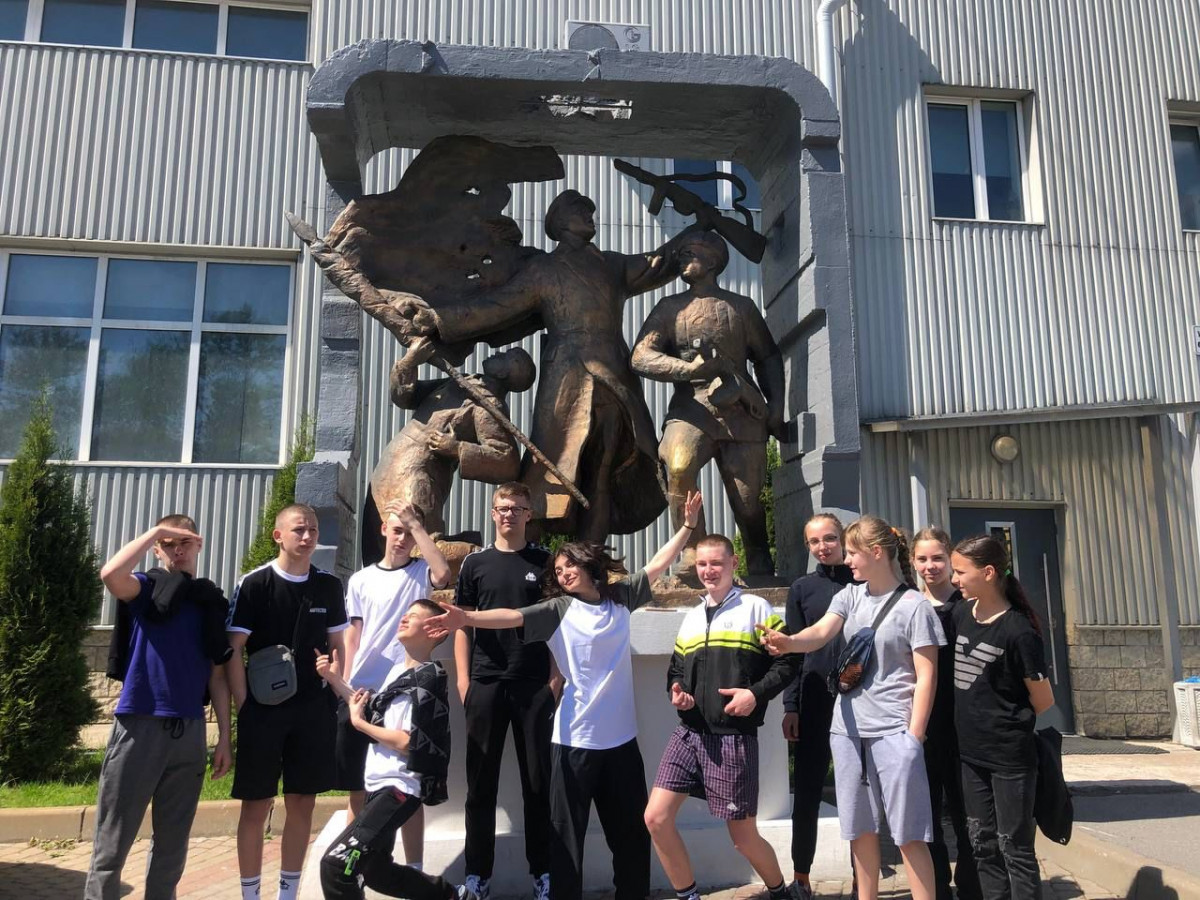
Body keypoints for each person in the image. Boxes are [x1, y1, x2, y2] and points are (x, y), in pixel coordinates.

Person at [427, 492, 705, 900]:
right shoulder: (557, 609)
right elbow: (511, 616)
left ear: (587, 565)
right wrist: (466, 617)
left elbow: (658, 564)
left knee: (630, 835)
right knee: (566, 840)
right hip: (574, 740)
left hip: (622, 741)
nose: (563, 573)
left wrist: (687, 527)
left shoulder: (620, 598)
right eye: (558, 570)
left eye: (569, 565)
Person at [758, 516, 943, 900]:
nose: (847, 560)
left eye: (853, 552)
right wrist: (789, 642)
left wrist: (914, 737)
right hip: (846, 732)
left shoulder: (915, 606)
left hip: (894, 732)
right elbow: (821, 632)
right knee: (860, 830)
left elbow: (927, 676)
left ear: (875, 553)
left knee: (909, 835)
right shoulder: (849, 596)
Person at [643, 534, 799, 900]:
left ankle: (781, 892)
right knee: (656, 818)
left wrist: (754, 694)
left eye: (716, 563)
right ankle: (689, 896)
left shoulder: (756, 608)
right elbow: (676, 670)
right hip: (689, 733)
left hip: (732, 738)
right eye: (702, 564)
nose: (708, 570)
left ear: (734, 564)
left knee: (742, 838)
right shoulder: (693, 616)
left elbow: (789, 660)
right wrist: (677, 692)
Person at [85, 516, 233, 900]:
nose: (178, 550)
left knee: (172, 847)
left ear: (199, 545)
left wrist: (224, 738)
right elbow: (110, 574)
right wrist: (154, 532)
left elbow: (217, 676)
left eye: (185, 542)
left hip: (189, 730)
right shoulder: (146, 589)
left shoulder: (209, 601)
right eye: (169, 543)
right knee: (112, 843)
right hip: (140, 726)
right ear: (156, 549)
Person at [630, 230, 786, 576]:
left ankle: (758, 557)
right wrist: (687, 369)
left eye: (691, 252)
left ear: (713, 260)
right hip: (691, 410)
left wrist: (775, 407)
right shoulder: (669, 308)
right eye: (681, 253)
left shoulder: (741, 307)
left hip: (741, 410)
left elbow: (768, 356)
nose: (682, 258)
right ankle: (691, 551)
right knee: (679, 466)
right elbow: (640, 356)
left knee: (747, 502)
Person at [226, 503, 349, 900]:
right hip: (262, 711)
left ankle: (288, 894)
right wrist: (245, 706)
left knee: (302, 802)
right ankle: (250, 895)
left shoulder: (329, 586)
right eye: (299, 529)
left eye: (312, 529)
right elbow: (233, 649)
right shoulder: (255, 584)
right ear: (278, 535)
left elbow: (338, 642)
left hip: (312, 710)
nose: (308, 536)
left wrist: (334, 678)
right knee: (256, 804)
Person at [315, 599, 477, 900]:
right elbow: (368, 709)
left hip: (399, 788)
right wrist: (334, 679)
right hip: (379, 786)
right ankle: (453, 896)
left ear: (434, 631)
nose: (404, 618)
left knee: (336, 865)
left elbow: (409, 743)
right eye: (405, 614)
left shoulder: (430, 678)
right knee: (375, 870)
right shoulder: (396, 672)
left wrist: (360, 725)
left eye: (413, 616)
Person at [455, 482, 560, 900]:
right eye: (502, 507)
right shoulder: (474, 563)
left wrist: (555, 680)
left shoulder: (545, 562)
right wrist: (463, 682)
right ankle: (477, 877)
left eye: (517, 508)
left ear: (529, 514)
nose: (509, 514)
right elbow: (462, 624)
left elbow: (557, 624)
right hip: (485, 684)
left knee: (538, 785)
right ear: (492, 512)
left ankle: (543, 874)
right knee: (481, 786)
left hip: (534, 686)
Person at [336, 502, 452, 870]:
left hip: (404, 688)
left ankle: (414, 869)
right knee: (361, 786)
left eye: (409, 532)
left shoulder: (420, 572)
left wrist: (417, 525)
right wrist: (344, 684)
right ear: (384, 530)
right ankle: (353, 862)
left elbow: (443, 573)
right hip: (363, 689)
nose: (402, 538)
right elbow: (353, 634)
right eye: (397, 530)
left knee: (407, 787)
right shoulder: (360, 580)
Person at [949, 536, 1054, 900]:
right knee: (982, 843)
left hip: (1010, 758)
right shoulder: (961, 614)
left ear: (989, 572)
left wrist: (1003, 721)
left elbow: (1043, 700)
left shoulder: (1019, 631)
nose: (954, 579)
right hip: (970, 754)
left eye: (961, 572)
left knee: (1015, 847)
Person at [367, 341, 536, 545]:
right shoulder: (462, 381)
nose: (498, 353)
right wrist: (409, 362)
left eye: (507, 356)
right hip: (393, 462)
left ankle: (471, 552)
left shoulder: (488, 405)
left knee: (416, 543)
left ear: (503, 373)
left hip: (419, 474)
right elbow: (405, 397)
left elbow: (506, 462)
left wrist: (456, 449)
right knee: (381, 536)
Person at [781, 514, 855, 898]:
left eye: (829, 538)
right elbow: (793, 652)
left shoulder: (863, 581)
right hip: (814, 700)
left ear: (843, 538)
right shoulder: (802, 588)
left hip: (859, 701)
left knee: (860, 792)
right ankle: (802, 877)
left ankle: (863, 877)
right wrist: (790, 705)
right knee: (808, 790)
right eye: (814, 541)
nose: (823, 547)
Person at [913, 527, 980, 900]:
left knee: (964, 811)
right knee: (925, 815)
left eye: (937, 558)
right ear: (912, 562)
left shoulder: (966, 606)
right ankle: (936, 885)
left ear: (950, 559)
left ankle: (970, 885)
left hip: (961, 725)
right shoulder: (909, 605)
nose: (930, 566)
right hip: (921, 725)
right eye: (922, 559)